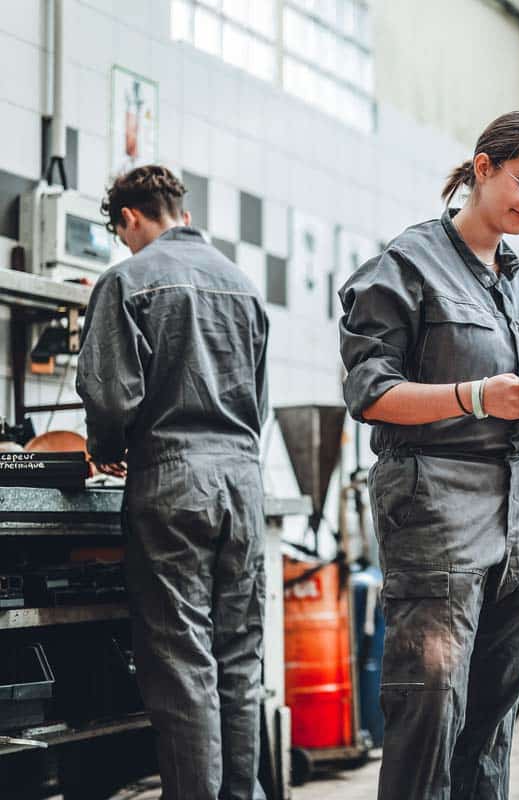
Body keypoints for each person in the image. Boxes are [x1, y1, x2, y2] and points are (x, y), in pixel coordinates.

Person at [339, 110, 519, 800]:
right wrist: (481, 396)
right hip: (438, 510)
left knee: (492, 715)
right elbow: (371, 394)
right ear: (482, 167)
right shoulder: (405, 267)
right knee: (430, 705)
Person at [76, 165, 270, 800]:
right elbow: (258, 405)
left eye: (121, 232)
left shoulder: (126, 280)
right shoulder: (243, 284)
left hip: (172, 481)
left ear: (130, 218)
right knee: (239, 660)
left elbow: (110, 397)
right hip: (243, 481)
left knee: (183, 660)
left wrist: (105, 450)